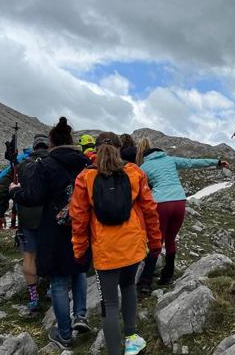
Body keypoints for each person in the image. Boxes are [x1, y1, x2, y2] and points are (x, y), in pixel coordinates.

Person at [70, 132, 162, 355]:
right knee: (129, 286)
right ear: (120, 148)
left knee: (109, 304)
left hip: (105, 253)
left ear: (96, 149)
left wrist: (80, 251)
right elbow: (150, 210)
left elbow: (78, 218)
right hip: (133, 248)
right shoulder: (134, 172)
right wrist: (155, 241)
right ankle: (131, 340)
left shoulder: (85, 177)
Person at [10, 117, 91, 350]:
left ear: (52, 142)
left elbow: (33, 197)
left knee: (58, 279)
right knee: (79, 271)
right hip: (81, 226)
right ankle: (81, 316)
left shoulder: (45, 165)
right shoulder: (86, 163)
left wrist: (16, 192)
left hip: (54, 229)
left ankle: (64, 334)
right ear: (72, 140)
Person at [136, 138, 230, 292]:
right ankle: (167, 276)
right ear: (160, 152)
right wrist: (217, 162)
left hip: (161, 204)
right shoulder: (170, 159)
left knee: (156, 242)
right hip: (179, 202)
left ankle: (145, 283)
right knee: (171, 239)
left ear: (144, 155)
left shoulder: (143, 167)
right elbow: (192, 163)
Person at [0, 134, 50, 312]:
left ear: (33, 147)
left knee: (29, 256)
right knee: (51, 251)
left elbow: (2, 188)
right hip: (50, 217)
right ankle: (51, 289)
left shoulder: (19, 165)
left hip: (27, 218)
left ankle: (34, 298)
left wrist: (1, 213)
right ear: (48, 146)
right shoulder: (55, 163)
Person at [0, 149, 31, 229]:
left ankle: (13, 223)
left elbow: (1, 182)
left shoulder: (20, 159)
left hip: (27, 213)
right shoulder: (52, 159)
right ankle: (13, 223)